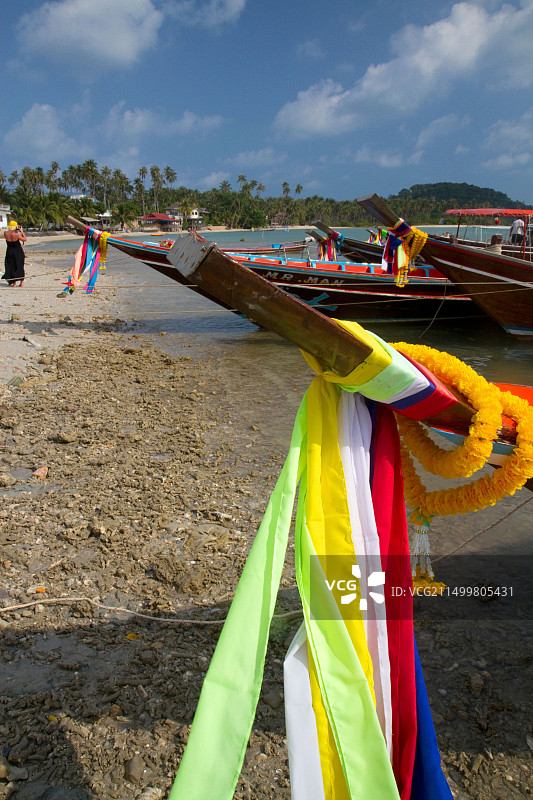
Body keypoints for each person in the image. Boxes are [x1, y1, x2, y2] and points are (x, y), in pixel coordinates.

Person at [3, 220, 26, 287]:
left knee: (11, 266)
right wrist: (22, 231)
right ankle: (21, 282)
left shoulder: (5, 233)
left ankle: (14, 283)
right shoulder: (16, 234)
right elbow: (24, 239)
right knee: (19, 265)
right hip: (17, 251)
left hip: (9, 251)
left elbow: (9, 235)